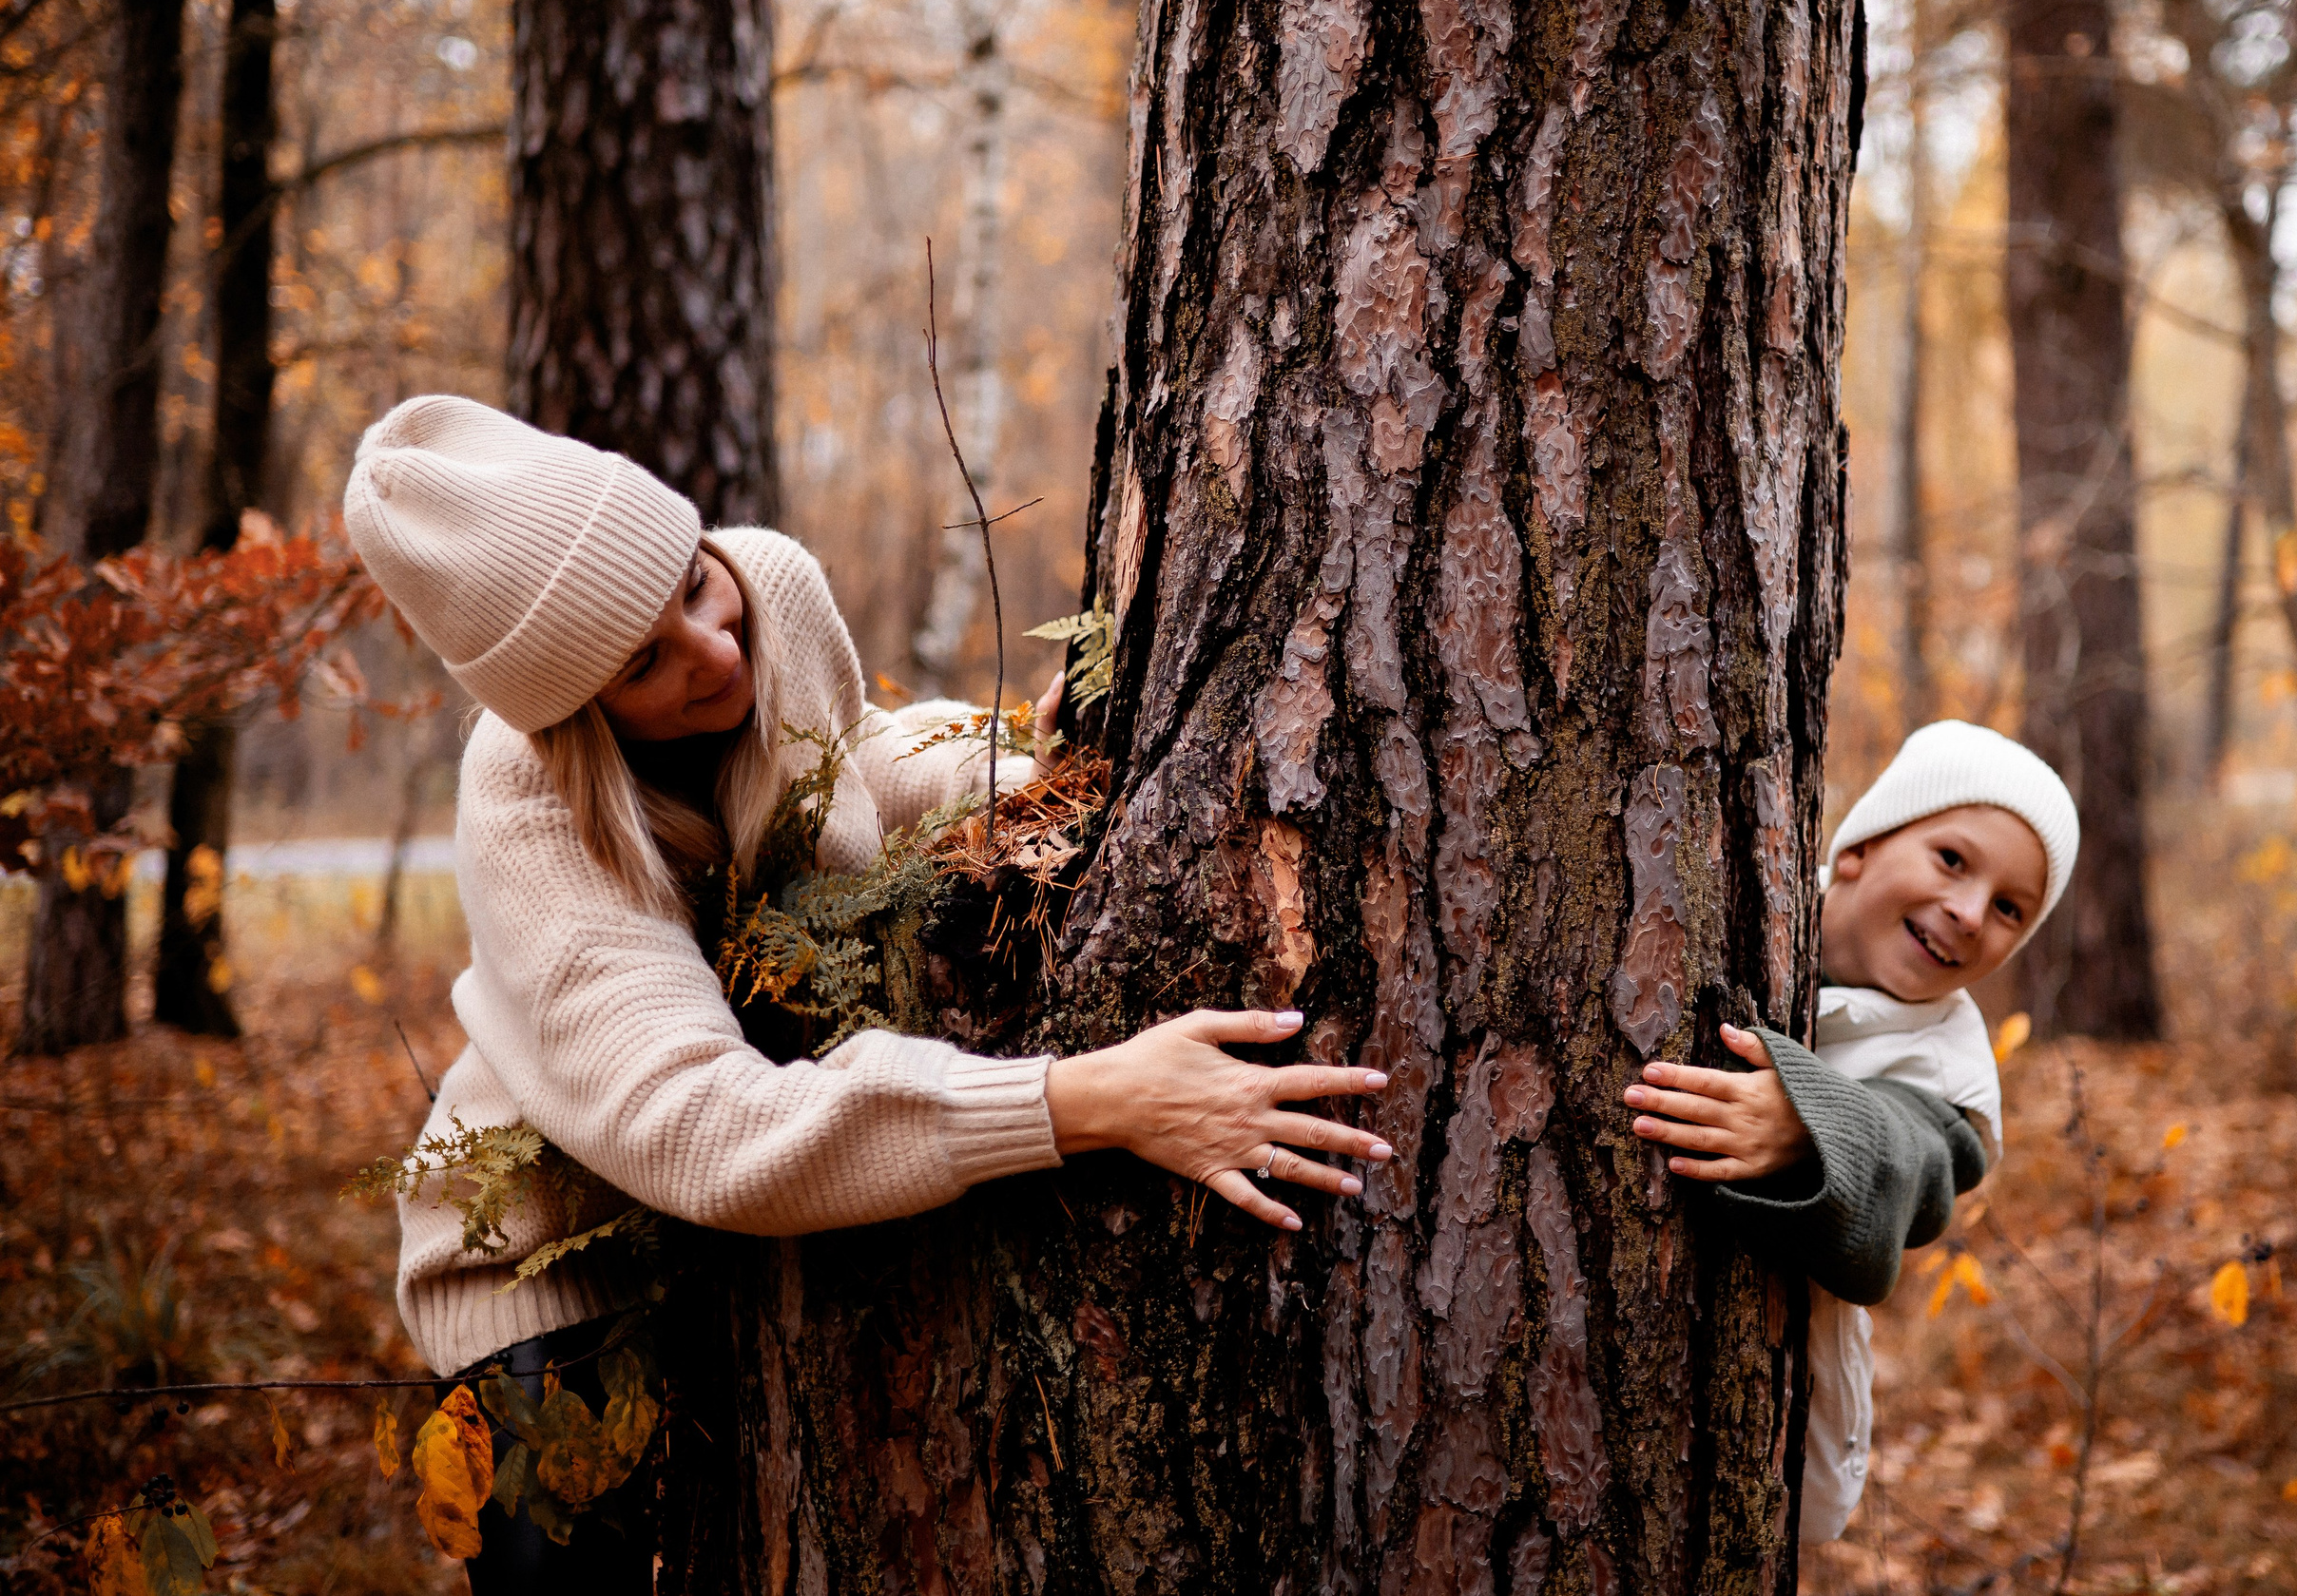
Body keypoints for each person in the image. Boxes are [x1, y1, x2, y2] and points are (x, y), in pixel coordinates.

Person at [342, 395, 1394, 1586]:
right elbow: (696, 1126)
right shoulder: (533, 804)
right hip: (556, 1297)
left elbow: (847, 761)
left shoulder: (770, 586)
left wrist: (1007, 763)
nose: (718, 653)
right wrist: (1086, 1101)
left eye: (691, 583)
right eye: (643, 661)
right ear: (572, 711)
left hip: (731, 1261)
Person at [1622, 721, 2078, 1543]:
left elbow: (1925, 1164)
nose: (1970, 912)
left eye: (2010, 908)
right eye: (1952, 859)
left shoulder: (1949, 1060)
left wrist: (1812, 1126)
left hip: (1752, 1419)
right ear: (1864, 845)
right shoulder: (1750, 886)